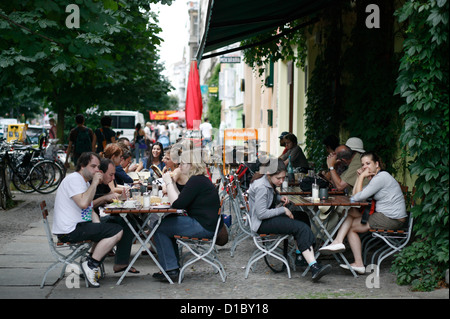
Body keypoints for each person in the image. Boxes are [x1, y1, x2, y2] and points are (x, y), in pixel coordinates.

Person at [319, 152, 407, 274]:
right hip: (384, 216)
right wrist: (359, 178)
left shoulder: (382, 178)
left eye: (368, 163)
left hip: (392, 219)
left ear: (376, 164)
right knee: (351, 211)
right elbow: (354, 196)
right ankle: (339, 243)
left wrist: (360, 177)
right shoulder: (376, 178)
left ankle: (349, 253)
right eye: (363, 164)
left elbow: (356, 198)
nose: (365, 167)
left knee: (351, 225)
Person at [247, 158, 331, 282]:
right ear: (269, 174)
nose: (281, 181)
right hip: (261, 224)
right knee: (300, 227)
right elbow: (261, 213)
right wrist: (283, 210)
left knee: (302, 217)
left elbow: (268, 199)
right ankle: (314, 267)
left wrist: (279, 198)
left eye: (283, 178)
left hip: (265, 220)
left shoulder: (267, 181)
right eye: (279, 178)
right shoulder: (262, 187)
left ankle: (300, 255)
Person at [52, 152, 123, 287]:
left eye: (97, 167)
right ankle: (91, 264)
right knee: (117, 230)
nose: (97, 170)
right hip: (69, 230)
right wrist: (95, 183)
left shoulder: (82, 182)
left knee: (111, 226)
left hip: (77, 225)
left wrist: (97, 226)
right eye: (93, 166)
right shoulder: (74, 179)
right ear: (82, 166)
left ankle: (90, 262)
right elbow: (84, 204)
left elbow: (88, 209)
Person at [152, 151, 221, 282]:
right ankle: (171, 267)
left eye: (183, 163)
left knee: (159, 227)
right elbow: (181, 199)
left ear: (192, 165)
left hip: (203, 226)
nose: (180, 166)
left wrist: (168, 182)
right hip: (206, 223)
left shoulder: (196, 180)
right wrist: (172, 183)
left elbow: (178, 204)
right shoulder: (199, 179)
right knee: (166, 224)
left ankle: (170, 269)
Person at [93, 158, 140, 274]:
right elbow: (85, 205)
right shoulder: (91, 183)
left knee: (128, 220)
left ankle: (121, 263)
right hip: (88, 222)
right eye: (111, 175)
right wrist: (104, 198)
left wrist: (121, 198)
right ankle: (93, 264)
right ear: (101, 173)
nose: (113, 178)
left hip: (97, 218)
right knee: (118, 227)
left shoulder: (103, 184)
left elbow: (111, 197)